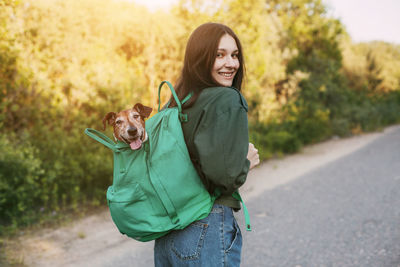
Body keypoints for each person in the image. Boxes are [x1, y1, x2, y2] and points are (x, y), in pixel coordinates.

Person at [154, 22, 260, 267]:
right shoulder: (227, 98)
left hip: (169, 233)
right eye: (219, 55)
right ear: (200, 58)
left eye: (235, 55)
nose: (231, 63)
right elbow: (224, 177)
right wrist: (245, 162)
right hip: (207, 225)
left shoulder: (179, 101)